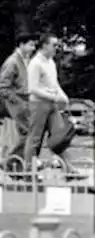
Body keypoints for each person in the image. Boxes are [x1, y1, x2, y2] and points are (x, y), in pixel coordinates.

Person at [23, 33, 79, 176]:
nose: (56, 48)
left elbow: (54, 84)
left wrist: (62, 96)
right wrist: (53, 96)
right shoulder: (35, 63)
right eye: (54, 45)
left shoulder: (51, 62)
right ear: (44, 46)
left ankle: (69, 169)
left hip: (51, 105)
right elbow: (32, 89)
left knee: (59, 137)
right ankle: (29, 170)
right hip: (38, 104)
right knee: (35, 138)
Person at [0, 34, 35, 172]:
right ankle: (14, 163)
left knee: (26, 134)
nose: (33, 48)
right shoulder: (12, 62)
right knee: (29, 133)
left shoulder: (25, 60)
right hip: (17, 102)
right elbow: (2, 86)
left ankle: (16, 164)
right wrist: (17, 101)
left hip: (24, 101)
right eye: (30, 45)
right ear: (21, 45)